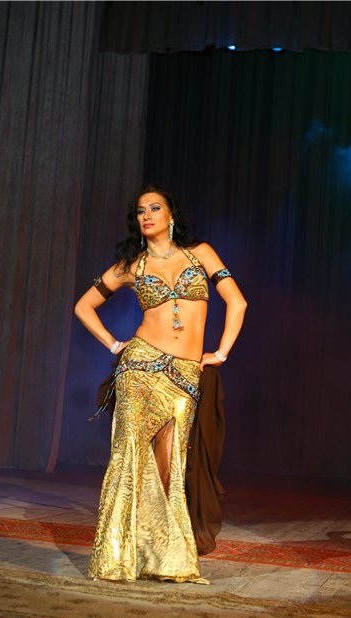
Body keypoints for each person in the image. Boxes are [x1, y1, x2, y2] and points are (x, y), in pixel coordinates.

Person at [74, 184, 247, 583]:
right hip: (139, 367)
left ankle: (157, 555)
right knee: (128, 457)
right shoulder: (132, 266)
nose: (147, 215)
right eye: (140, 211)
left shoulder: (200, 253)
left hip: (185, 374)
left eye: (155, 208)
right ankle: (114, 559)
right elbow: (84, 306)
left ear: (171, 216)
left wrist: (221, 352)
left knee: (170, 466)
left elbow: (237, 302)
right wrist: (114, 344)